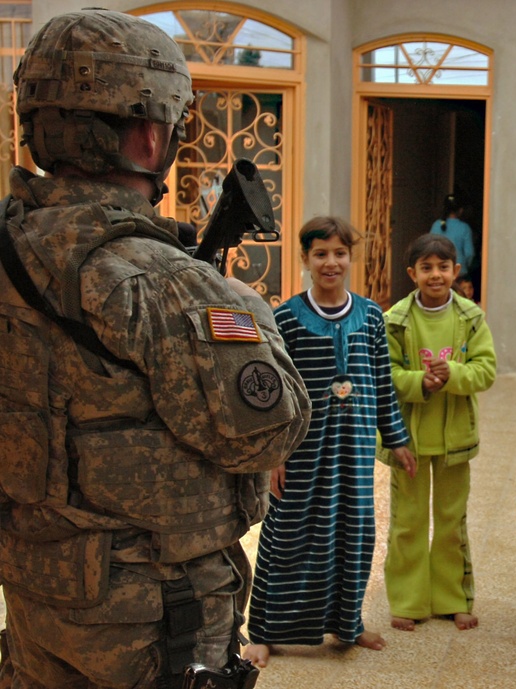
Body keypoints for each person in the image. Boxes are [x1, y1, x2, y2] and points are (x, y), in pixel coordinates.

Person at [0, 9, 311, 688]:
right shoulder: (170, 282)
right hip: (156, 612)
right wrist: (246, 308)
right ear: (149, 133)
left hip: (34, 587)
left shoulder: (13, 248)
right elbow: (266, 432)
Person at [244, 217, 416, 667]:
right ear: (305, 259)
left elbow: (381, 380)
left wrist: (396, 439)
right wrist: (274, 454)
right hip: (302, 449)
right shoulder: (286, 318)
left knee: (353, 533)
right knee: (288, 533)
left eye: (340, 253)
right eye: (321, 253)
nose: (331, 262)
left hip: (355, 449)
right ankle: (262, 630)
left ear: (350, 258)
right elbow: (274, 390)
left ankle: (347, 624)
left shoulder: (371, 315)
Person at [380, 233, 497, 632]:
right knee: (408, 522)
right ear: (412, 273)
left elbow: (486, 371)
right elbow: (386, 374)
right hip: (407, 440)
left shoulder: (470, 317)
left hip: (455, 440)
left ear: (456, 271)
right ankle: (408, 601)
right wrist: (420, 383)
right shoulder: (394, 319)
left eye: (443, 267)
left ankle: (453, 598)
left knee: (451, 521)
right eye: (426, 268)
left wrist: (455, 375)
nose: (435, 275)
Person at [430, 193, 476, 279]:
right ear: (461, 210)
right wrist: (465, 265)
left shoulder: (436, 225)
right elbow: (469, 253)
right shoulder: (464, 228)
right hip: (458, 271)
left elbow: (428, 248)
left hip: (438, 270)